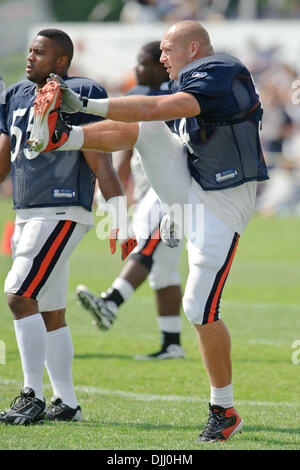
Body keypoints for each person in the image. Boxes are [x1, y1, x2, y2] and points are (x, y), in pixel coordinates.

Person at [28, 21, 269, 442]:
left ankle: (224, 408)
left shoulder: (220, 69)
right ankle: (61, 138)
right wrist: (69, 129)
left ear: (194, 48)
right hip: (193, 185)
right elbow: (141, 121)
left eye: (167, 49)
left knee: (199, 308)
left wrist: (83, 100)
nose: (161, 58)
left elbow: (157, 108)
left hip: (223, 201)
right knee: (148, 130)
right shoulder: (189, 78)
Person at [0, 28, 135, 426]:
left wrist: (119, 217)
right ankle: (67, 403)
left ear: (61, 61)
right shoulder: (15, 95)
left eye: (39, 53)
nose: (29, 58)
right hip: (27, 212)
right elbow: (4, 160)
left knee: (18, 294)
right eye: (29, 50)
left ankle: (31, 394)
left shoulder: (76, 91)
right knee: (49, 312)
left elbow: (100, 158)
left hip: (61, 208)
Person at [76, 41, 185, 360]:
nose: (135, 69)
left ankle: (111, 301)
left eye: (141, 63)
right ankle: (172, 343)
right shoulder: (137, 91)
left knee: (145, 243)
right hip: (146, 181)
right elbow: (126, 144)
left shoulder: (175, 93)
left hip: (169, 184)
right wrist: (119, 187)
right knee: (164, 271)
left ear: (156, 65)